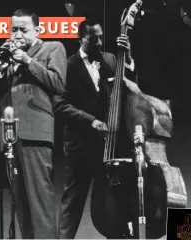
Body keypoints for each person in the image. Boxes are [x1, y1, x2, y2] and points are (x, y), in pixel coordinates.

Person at [0, 9, 67, 238]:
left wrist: (28, 60)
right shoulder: (8, 56)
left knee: (39, 202)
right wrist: (2, 70)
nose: (17, 34)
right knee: (20, 203)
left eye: (24, 29)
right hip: (10, 135)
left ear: (37, 30)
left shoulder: (53, 48)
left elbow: (58, 84)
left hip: (36, 133)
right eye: (14, 29)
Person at [56, 18, 136, 239]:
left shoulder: (110, 59)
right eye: (93, 38)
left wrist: (127, 57)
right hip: (80, 147)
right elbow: (60, 105)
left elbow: (130, 85)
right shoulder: (68, 65)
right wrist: (91, 121)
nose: (100, 42)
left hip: (109, 147)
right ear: (81, 38)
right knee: (73, 202)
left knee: (112, 203)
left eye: (101, 36)